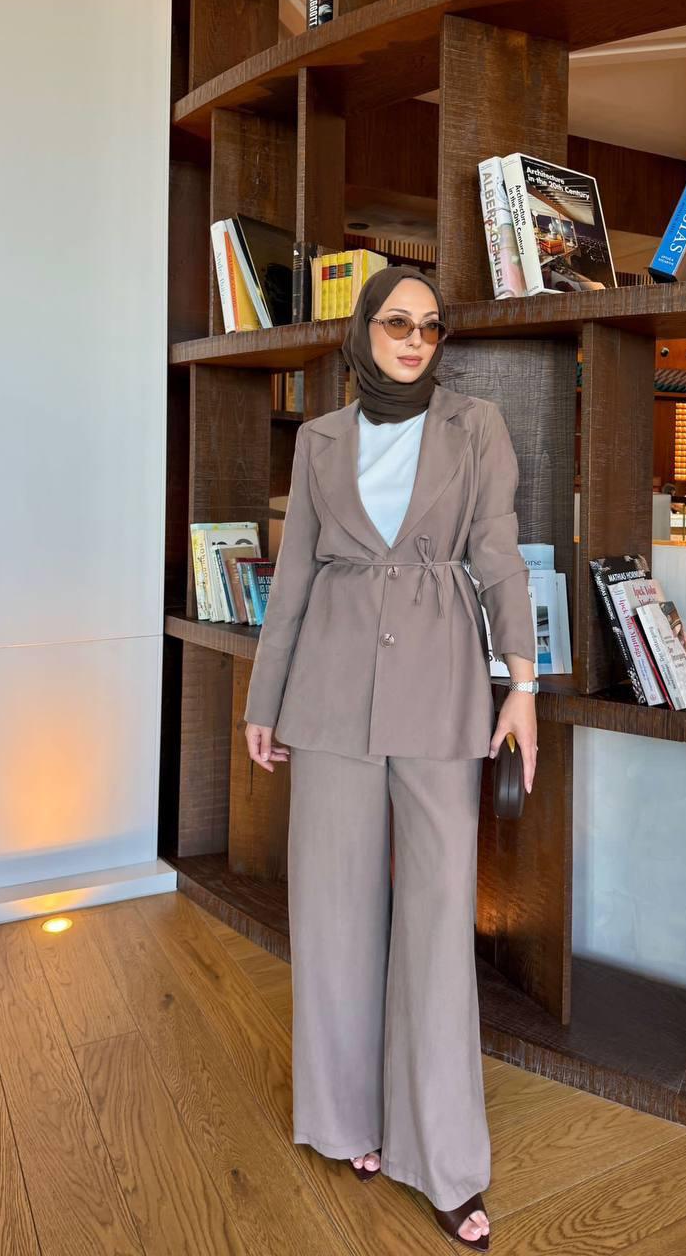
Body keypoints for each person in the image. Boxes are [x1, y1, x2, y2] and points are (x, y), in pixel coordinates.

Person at [242, 265, 539, 1252]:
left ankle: (446, 1161)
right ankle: (346, 1119)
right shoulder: (321, 441)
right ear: (365, 330)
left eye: (430, 325)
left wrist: (523, 684)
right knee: (331, 916)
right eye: (397, 322)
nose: (416, 338)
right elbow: (290, 584)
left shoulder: (475, 428)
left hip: (444, 692)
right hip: (325, 692)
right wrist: (264, 701)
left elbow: (499, 552)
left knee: (438, 924)